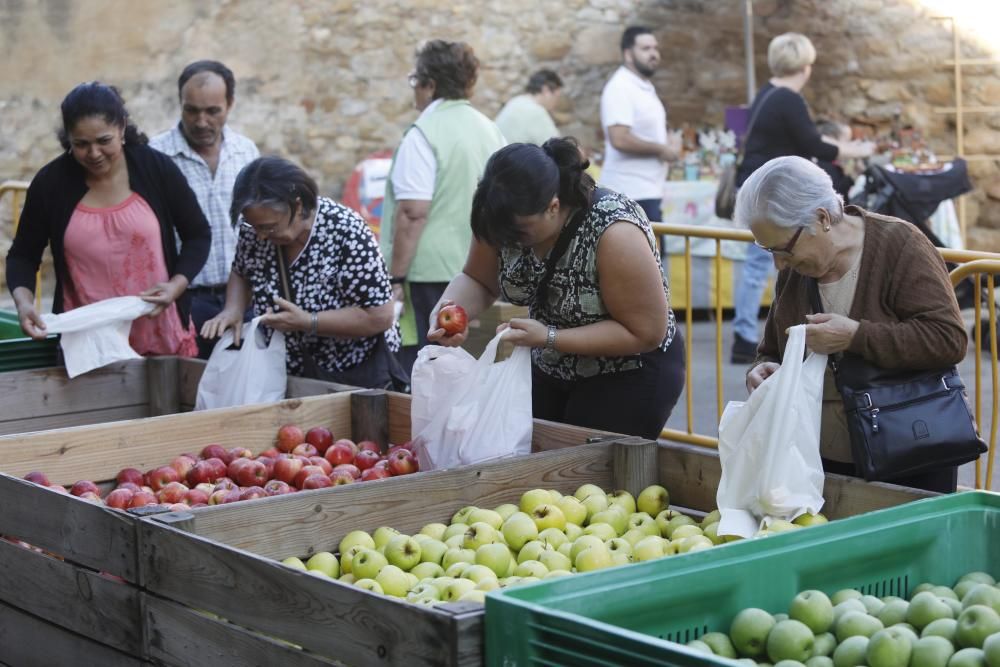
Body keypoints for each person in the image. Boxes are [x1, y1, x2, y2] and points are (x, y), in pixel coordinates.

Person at [428, 138, 685, 440]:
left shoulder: (613, 232)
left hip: (628, 370)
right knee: (535, 465)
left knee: (588, 476)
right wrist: (448, 309)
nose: (509, 242)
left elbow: (645, 332)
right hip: (552, 365)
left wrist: (549, 337)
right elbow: (478, 280)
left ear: (553, 207)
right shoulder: (500, 216)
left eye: (519, 233)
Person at [741, 156, 966, 492]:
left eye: (783, 248)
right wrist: (763, 368)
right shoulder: (794, 270)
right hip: (819, 466)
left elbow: (948, 339)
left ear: (821, 218)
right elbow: (773, 347)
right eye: (767, 250)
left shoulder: (899, 244)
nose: (778, 262)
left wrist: (856, 336)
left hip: (910, 455)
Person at [6, 82, 210, 357]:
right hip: (86, 343)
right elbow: (22, 255)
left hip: (159, 333)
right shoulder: (51, 184)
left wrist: (176, 285)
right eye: (81, 144)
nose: (94, 154)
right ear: (68, 138)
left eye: (104, 141)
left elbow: (197, 235)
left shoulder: (155, 168)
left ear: (122, 128)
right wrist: (23, 302)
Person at [731, 32, 874, 364]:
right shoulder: (787, 98)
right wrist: (854, 149)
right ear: (806, 66)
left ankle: (750, 334)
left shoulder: (768, 93)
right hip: (771, 197)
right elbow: (814, 144)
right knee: (762, 264)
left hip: (764, 190)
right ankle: (745, 336)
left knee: (765, 263)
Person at [201, 157, 402, 388]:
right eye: (254, 227)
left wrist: (308, 321)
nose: (261, 236)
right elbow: (241, 271)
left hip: (352, 372)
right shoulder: (254, 230)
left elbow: (380, 316)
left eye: (269, 227)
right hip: (283, 370)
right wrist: (233, 309)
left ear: (297, 207)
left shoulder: (346, 230)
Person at [379, 39, 506, 374]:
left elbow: (412, 212)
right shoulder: (490, 129)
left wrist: (395, 277)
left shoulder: (424, 132)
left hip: (428, 272)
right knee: (463, 370)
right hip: (480, 269)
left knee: (425, 370)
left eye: (414, 82)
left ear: (430, 85)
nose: (413, 91)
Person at [149, 60, 260, 359]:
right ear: (180, 104)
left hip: (245, 299)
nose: (201, 122)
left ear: (230, 104)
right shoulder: (156, 156)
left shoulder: (246, 152)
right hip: (185, 301)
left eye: (213, 111)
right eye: (192, 110)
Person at [598, 26, 681, 225]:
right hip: (630, 193)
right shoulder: (620, 87)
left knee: (656, 255)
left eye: (655, 48)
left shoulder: (642, 86)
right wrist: (662, 149)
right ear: (628, 54)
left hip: (647, 190)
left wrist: (669, 139)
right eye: (645, 49)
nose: (653, 54)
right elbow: (619, 137)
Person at [495, 69, 563, 146]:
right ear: (546, 90)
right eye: (557, 97)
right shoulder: (535, 111)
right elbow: (558, 149)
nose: (556, 103)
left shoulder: (516, 101)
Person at [814, 119, 855, 200]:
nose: (849, 145)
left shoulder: (829, 164)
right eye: (846, 141)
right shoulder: (825, 167)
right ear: (831, 139)